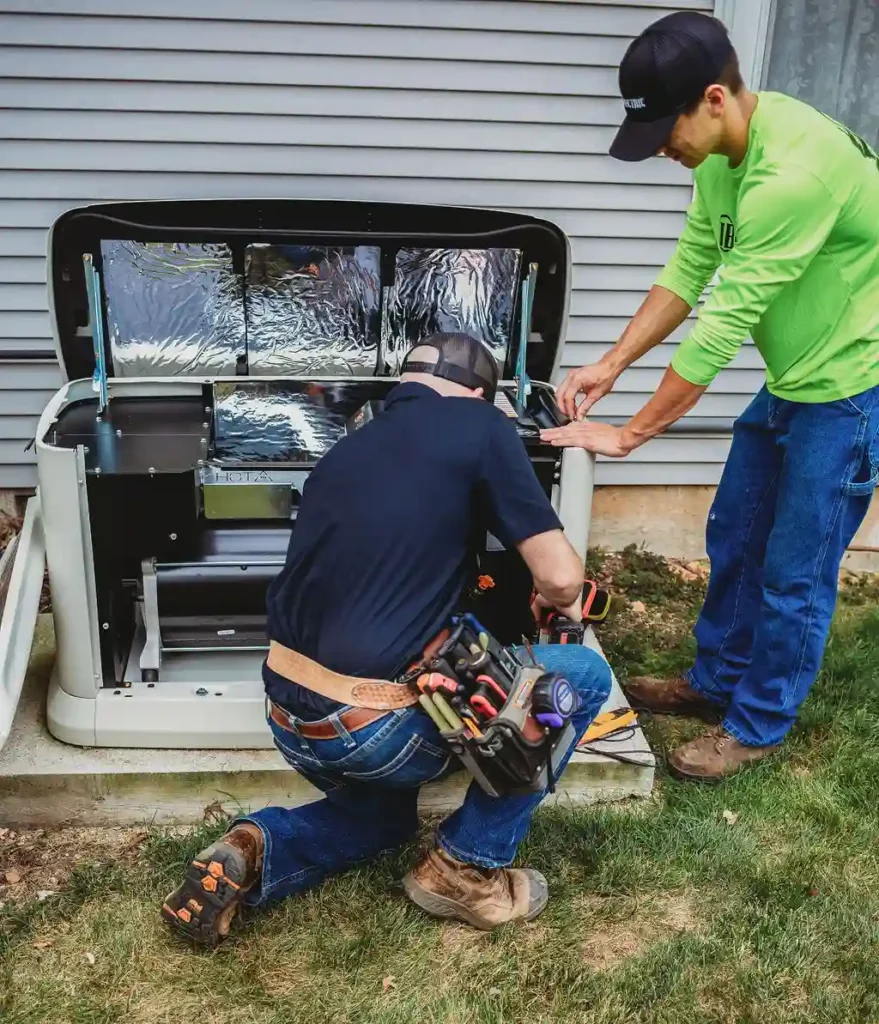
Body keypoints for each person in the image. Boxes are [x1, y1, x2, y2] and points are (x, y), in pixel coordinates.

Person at [162, 331, 611, 945]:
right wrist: (552, 597)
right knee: (580, 678)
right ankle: (467, 866)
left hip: (290, 715)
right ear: (481, 394)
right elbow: (561, 579)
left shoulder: (346, 448)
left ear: (404, 385)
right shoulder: (481, 426)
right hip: (374, 728)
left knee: (381, 819)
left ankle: (256, 847)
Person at [541, 11, 879, 782]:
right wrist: (611, 363)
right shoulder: (720, 160)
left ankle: (757, 722)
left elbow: (721, 323)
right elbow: (691, 268)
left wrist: (631, 435)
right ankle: (716, 682)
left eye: (668, 127)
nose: (662, 146)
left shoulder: (794, 174)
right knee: (734, 532)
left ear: (716, 98)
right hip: (791, 377)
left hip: (850, 389)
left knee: (795, 566)